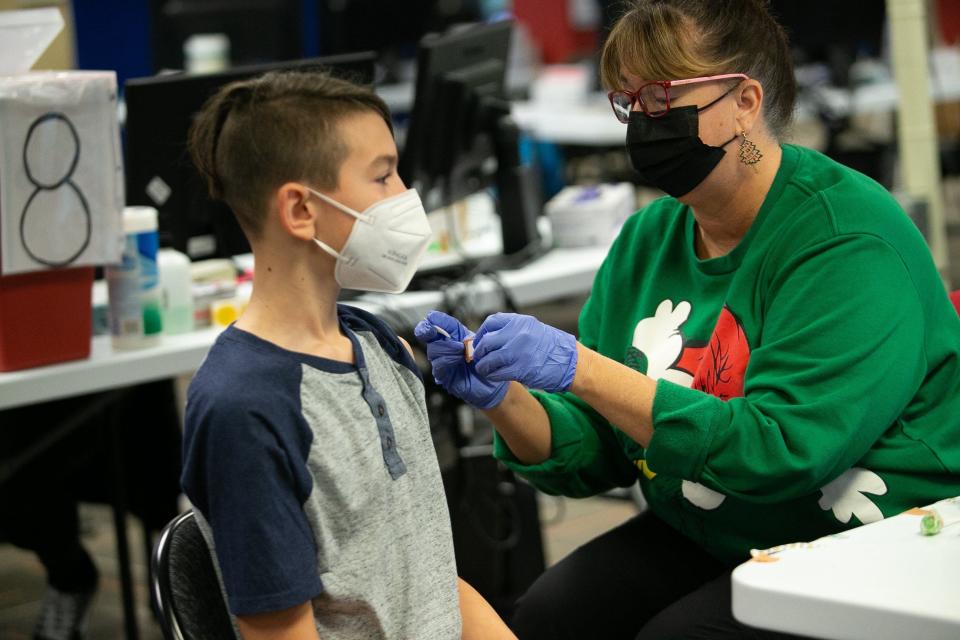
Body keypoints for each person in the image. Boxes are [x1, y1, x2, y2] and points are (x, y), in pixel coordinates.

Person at [414, 1, 960, 638]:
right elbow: (601, 449)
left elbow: (782, 451)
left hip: (866, 532)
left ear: (745, 101)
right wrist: (503, 398)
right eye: (630, 102)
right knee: (549, 618)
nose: (644, 121)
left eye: (663, 97)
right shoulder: (648, 239)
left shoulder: (846, 240)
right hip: (717, 518)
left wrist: (581, 369)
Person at [180, 69, 515, 640]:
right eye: (383, 176)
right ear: (301, 211)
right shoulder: (247, 409)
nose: (405, 196)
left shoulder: (377, 345)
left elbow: (432, 581)